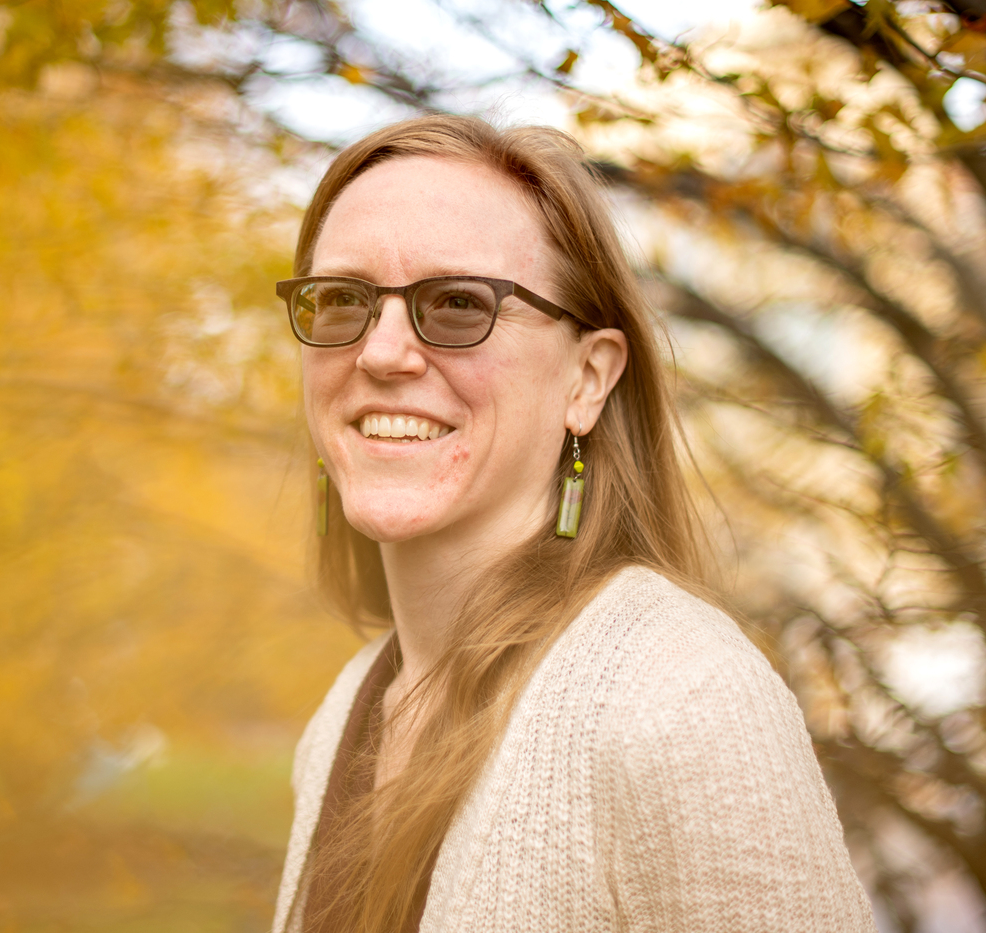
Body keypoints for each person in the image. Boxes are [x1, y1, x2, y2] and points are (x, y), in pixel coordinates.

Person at [270, 114, 875, 933]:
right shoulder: (348, 710)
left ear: (588, 380)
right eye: (342, 299)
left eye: (456, 304)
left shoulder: (681, 698)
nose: (381, 353)